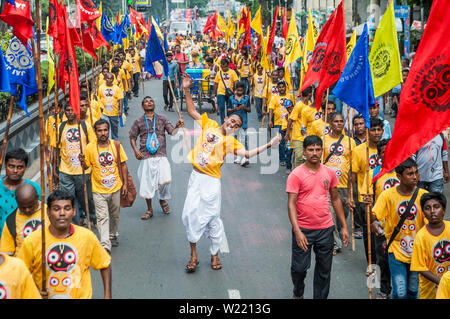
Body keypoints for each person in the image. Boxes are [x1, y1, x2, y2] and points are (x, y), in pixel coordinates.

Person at [181, 74, 281, 273]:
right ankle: (194, 254)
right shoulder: (209, 124)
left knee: (212, 218)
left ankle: (214, 253)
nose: (234, 125)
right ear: (226, 118)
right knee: (189, 215)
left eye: (237, 125)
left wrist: (270, 144)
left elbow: (247, 154)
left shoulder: (232, 142)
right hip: (196, 178)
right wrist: (186, 89)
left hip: (211, 182)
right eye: (232, 121)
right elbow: (191, 110)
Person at [286, 135, 350, 299]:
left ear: (322, 151)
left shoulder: (329, 173)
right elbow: (291, 203)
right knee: (299, 269)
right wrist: (297, 230)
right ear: (305, 152)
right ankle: (298, 293)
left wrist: (343, 226)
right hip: (303, 230)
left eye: (317, 149)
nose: (314, 153)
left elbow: (335, 199)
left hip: (325, 229)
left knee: (324, 271)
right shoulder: (296, 174)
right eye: (310, 149)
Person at [18, 190, 112, 299]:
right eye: (56, 209)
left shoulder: (87, 237)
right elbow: (20, 272)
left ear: (74, 211)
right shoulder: (33, 240)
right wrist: (33, 290)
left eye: (67, 208)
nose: (62, 213)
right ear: (48, 212)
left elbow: (105, 264)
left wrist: (107, 295)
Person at [370, 158, 427, 299]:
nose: (415, 177)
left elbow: (430, 224)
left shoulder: (424, 196)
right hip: (395, 250)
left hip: (417, 252)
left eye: (416, 173)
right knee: (400, 292)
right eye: (410, 174)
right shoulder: (387, 195)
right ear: (399, 176)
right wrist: (374, 224)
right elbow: (375, 216)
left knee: (413, 291)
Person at [129, 97, 183, 220]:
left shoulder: (162, 119)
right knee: (147, 183)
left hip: (161, 154)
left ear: (154, 104)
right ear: (142, 106)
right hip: (146, 156)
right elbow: (132, 137)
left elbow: (172, 132)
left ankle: (162, 199)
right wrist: (136, 150)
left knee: (166, 179)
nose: (149, 102)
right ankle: (149, 209)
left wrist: (177, 126)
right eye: (146, 101)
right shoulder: (138, 121)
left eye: (151, 101)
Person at [79, 119, 129, 253]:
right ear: (95, 132)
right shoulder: (89, 147)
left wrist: (124, 184)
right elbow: (86, 167)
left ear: (108, 131)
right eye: (99, 130)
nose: (103, 133)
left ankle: (112, 234)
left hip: (115, 188)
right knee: (102, 217)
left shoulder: (116, 145)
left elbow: (123, 165)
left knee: (115, 215)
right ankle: (105, 243)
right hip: (98, 190)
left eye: (105, 130)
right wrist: (82, 161)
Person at [361, 138, 398, 299]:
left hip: (401, 224)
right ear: (380, 155)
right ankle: (384, 289)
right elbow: (366, 198)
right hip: (381, 223)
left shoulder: (404, 171)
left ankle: (399, 290)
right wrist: (368, 205)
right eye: (384, 152)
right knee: (382, 257)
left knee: (399, 258)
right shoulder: (373, 173)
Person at [53, 102, 97, 227]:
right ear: (64, 112)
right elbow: (56, 148)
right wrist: (55, 168)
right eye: (67, 110)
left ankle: (93, 217)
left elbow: (92, 147)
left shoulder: (85, 126)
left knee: (86, 199)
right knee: (69, 201)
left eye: (73, 110)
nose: (70, 113)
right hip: (66, 171)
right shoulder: (60, 127)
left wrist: (91, 164)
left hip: (83, 171)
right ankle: (75, 225)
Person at [349, 117, 384, 268]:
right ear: (367, 131)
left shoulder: (388, 148)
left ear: (383, 131)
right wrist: (350, 196)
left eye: (379, 130)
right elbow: (353, 174)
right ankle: (372, 262)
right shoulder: (358, 151)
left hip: (385, 195)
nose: (376, 133)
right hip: (366, 197)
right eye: (373, 130)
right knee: (368, 230)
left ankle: (385, 261)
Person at [323, 113, 356, 256]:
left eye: (341, 121)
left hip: (344, 186)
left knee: (341, 214)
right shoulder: (324, 140)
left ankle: (340, 233)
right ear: (330, 123)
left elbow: (352, 169)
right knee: (330, 214)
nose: (339, 124)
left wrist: (350, 193)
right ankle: (335, 243)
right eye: (336, 121)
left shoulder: (350, 142)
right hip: (328, 186)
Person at [411, 192, 450, 299]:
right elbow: (420, 267)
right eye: (427, 208)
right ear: (423, 213)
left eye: (436, 207)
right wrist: (443, 282)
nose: (432, 211)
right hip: (430, 293)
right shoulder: (421, 237)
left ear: (444, 210)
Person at [0, 148, 41, 237]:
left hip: (26, 238)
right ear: (5, 165)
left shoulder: (33, 188)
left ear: (25, 167)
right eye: (11, 166)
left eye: (20, 167)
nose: (15, 170)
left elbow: (40, 214)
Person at [0, 183, 49, 257]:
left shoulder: (50, 212)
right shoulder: (11, 220)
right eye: (23, 207)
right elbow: (6, 253)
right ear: (16, 201)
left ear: (37, 198)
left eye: (31, 206)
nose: (27, 210)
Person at [268, 80, 295, 167]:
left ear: (285, 87)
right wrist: (270, 120)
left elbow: (294, 108)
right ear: (277, 88)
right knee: (280, 141)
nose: (281, 88)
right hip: (278, 122)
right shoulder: (274, 97)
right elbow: (271, 109)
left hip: (288, 122)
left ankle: (288, 157)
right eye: (279, 87)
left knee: (288, 140)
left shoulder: (290, 96)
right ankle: (282, 158)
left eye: (283, 86)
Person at [286, 86, 312, 168]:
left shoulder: (310, 104)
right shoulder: (298, 105)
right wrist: (287, 134)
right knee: (299, 156)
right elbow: (290, 120)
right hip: (297, 136)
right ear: (310, 94)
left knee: (306, 158)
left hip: (307, 136)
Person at [228, 81, 251, 167]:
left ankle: (245, 157)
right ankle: (238, 157)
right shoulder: (231, 98)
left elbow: (249, 109)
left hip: (243, 122)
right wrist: (235, 109)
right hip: (234, 122)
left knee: (243, 139)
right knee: (236, 140)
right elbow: (228, 110)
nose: (239, 92)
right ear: (235, 90)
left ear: (244, 90)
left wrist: (243, 107)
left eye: (241, 91)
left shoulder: (246, 98)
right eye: (238, 91)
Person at [98, 72, 124, 140]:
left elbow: (120, 99)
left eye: (111, 79)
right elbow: (99, 98)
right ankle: (108, 141)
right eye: (108, 78)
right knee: (106, 127)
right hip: (104, 112)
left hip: (114, 112)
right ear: (105, 79)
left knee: (114, 127)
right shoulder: (101, 87)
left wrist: (120, 110)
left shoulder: (116, 88)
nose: (110, 80)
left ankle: (115, 140)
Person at [212, 58, 239, 125]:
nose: (224, 68)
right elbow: (215, 83)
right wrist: (214, 93)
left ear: (228, 65)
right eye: (222, 67)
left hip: (230, 93)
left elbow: (236, 81)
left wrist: (236, 91)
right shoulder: (219, 73)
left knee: (229, 108)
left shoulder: (232, 72)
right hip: (220, 93)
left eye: (226, 66)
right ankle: (223, 123)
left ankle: (229, 121)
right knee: (221, 108)